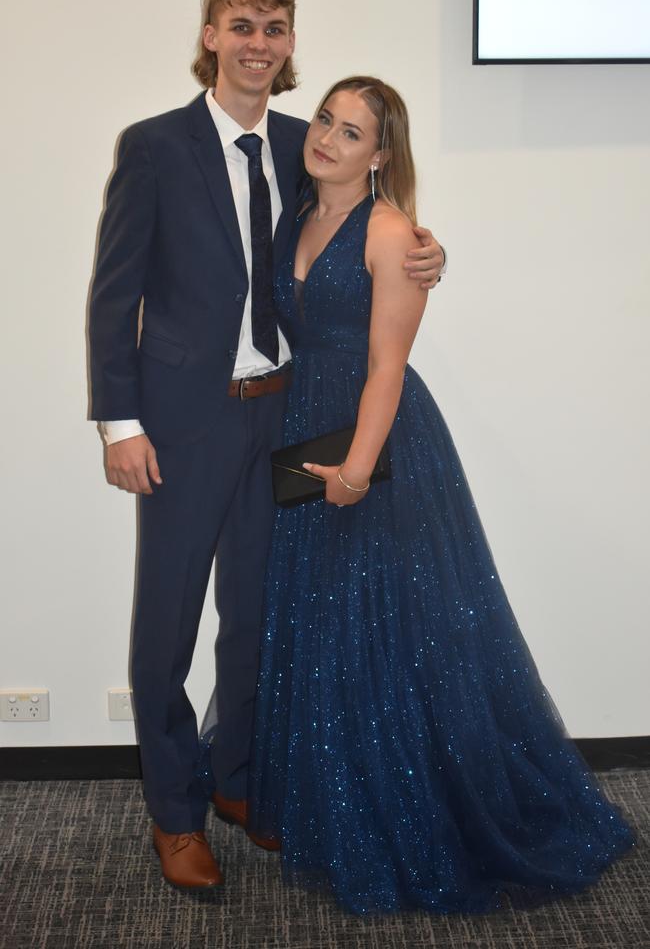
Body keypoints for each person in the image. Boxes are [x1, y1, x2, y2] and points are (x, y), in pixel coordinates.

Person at [87, 0, 445, 890]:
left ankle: (237, 777)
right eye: (241, 24)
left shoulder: (305, 144)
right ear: (210, 35)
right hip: (180, 425)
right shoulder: (156, 146)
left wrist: (425, 248)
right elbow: (113, 293)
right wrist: (119, 422)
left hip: (283, 418)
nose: (258, 42)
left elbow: (364, 225)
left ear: (290, 45)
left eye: (275, 28)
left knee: (256, 617)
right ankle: (174, 810)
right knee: (165, 622)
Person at [245, 76, 635, 915]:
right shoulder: (298, 212)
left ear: (381, 156)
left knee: (385, 629)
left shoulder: (391, 233)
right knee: (322, 624)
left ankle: (411, 819)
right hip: (305, 426)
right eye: (325, 120)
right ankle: (337, 805)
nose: (327, 139)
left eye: (352, 134)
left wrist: (355, 469)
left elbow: (387, 366)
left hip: (375, 444)